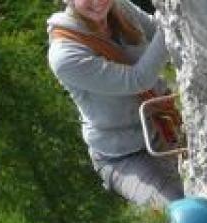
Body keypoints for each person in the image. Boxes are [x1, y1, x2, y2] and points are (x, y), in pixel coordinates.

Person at [46, 0, 184, 207]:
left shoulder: (120, 8)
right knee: (183, 214)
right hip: (123, 157)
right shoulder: (65, 55)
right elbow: (137, 80)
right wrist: (177, 17)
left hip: (164, 127)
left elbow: (158, 30)